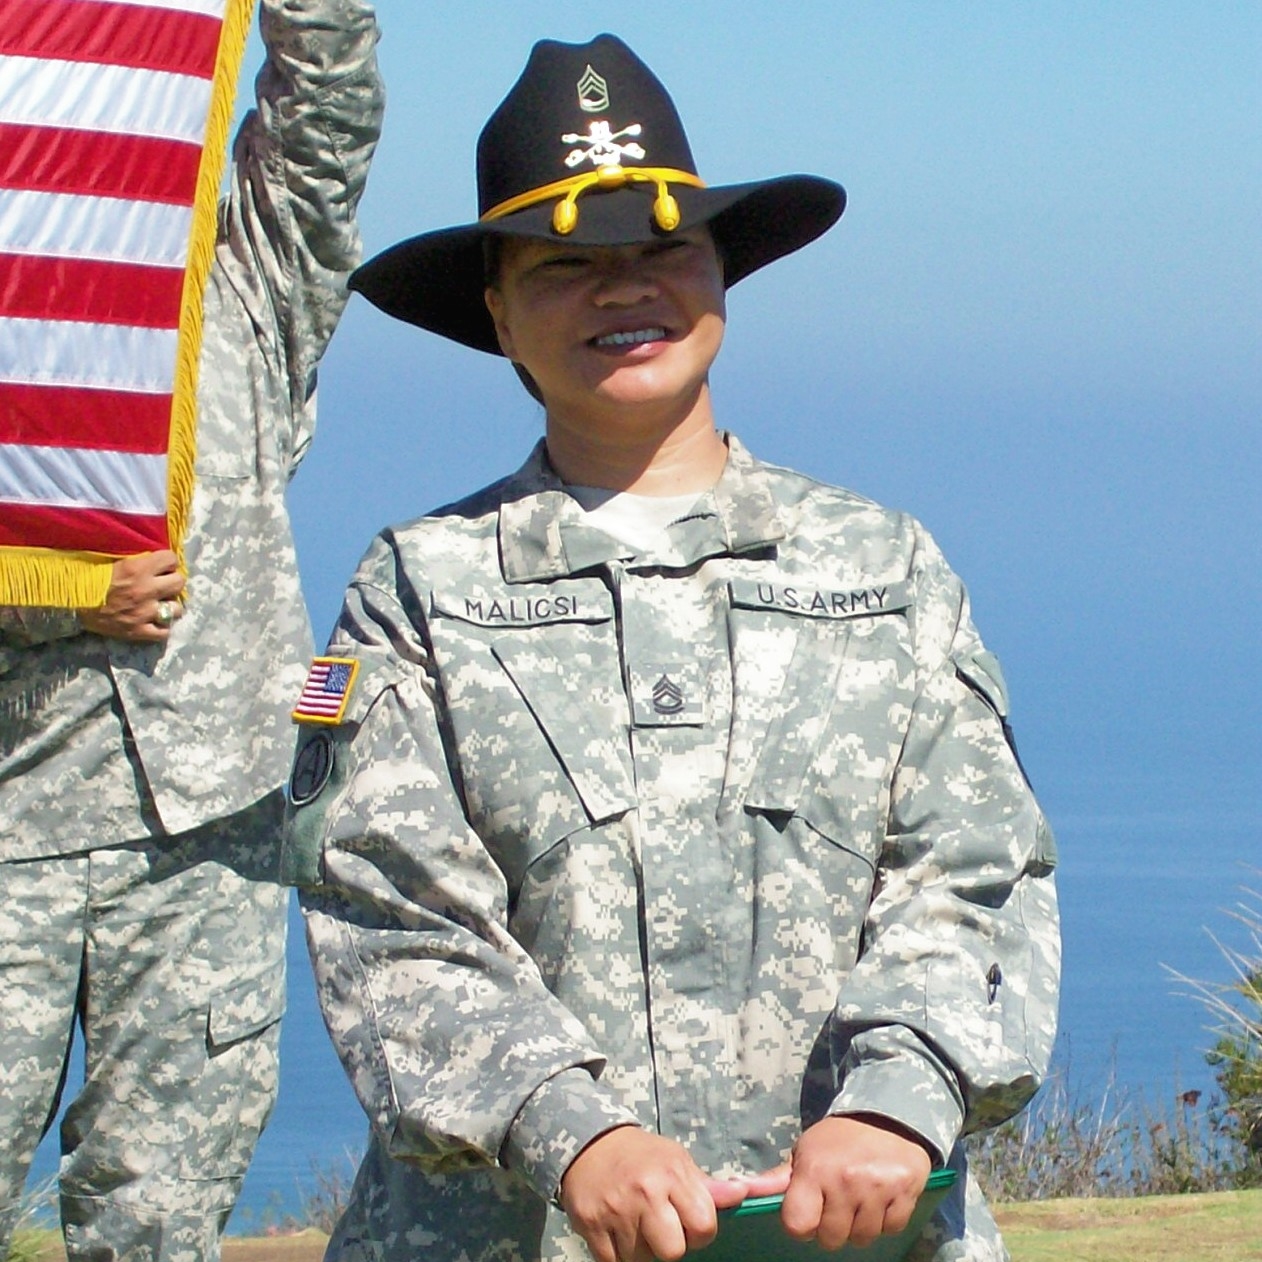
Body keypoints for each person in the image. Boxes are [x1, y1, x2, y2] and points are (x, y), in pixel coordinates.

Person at [286, 33, 1060, 1262]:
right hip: (511, 1234)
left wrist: (894, 1099)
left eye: (660, 250)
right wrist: (569, 1127)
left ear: (718, 275)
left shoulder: (881, 566)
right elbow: (386, 909)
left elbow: (977, 872)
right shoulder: (415, 588)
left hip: (853, 1234)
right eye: (563, 267)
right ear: (495, 315)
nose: (622, 289)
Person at [0, 3, 383, 1258]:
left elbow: (322, 128)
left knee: (163, 1216)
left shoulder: (246, 283)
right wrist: (48, 586)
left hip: (211, 818)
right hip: (15, 822)